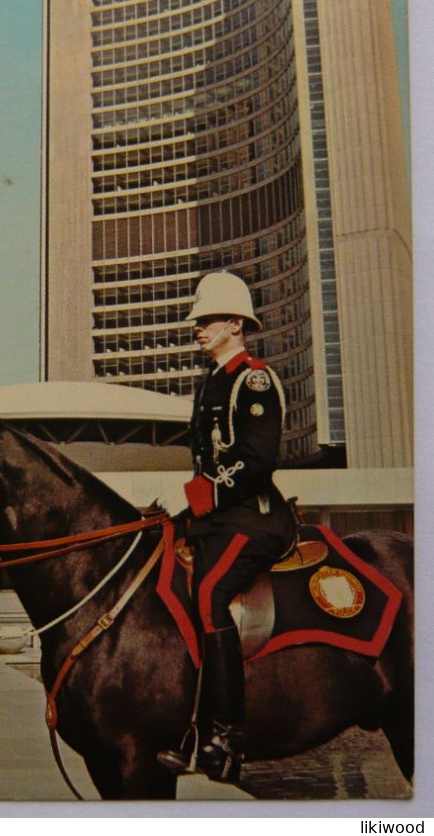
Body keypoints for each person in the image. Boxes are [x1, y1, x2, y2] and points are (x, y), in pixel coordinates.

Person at [158, 271, 296, 784]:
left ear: (236, 324)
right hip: (217, 518)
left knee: (211, 593)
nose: (198, 327)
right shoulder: (212, 381)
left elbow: (257, 461)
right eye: (198, 320)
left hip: (255, 519)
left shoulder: (253, 378)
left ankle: (226, 734)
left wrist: (193, 496)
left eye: (208, 319)